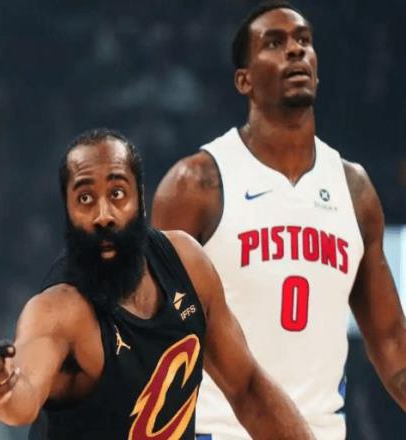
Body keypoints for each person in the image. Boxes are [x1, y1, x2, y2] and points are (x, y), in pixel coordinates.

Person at [151, 1, 406, 439]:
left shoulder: (354, 189)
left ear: (318, 70)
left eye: (304, 41)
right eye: (274, 42)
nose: (295, 50)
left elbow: (389, 340)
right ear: (244, 79)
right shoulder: (195, 185)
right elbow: (151, 337)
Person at [0, 129, 315, 439]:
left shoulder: (187, 265)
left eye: (117, 193)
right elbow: (22, 400)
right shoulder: (59, 310)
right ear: (67, 211)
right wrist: (4, 390)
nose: (103, 214)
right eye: (85, 198)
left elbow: (248, 389)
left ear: (141, 199)